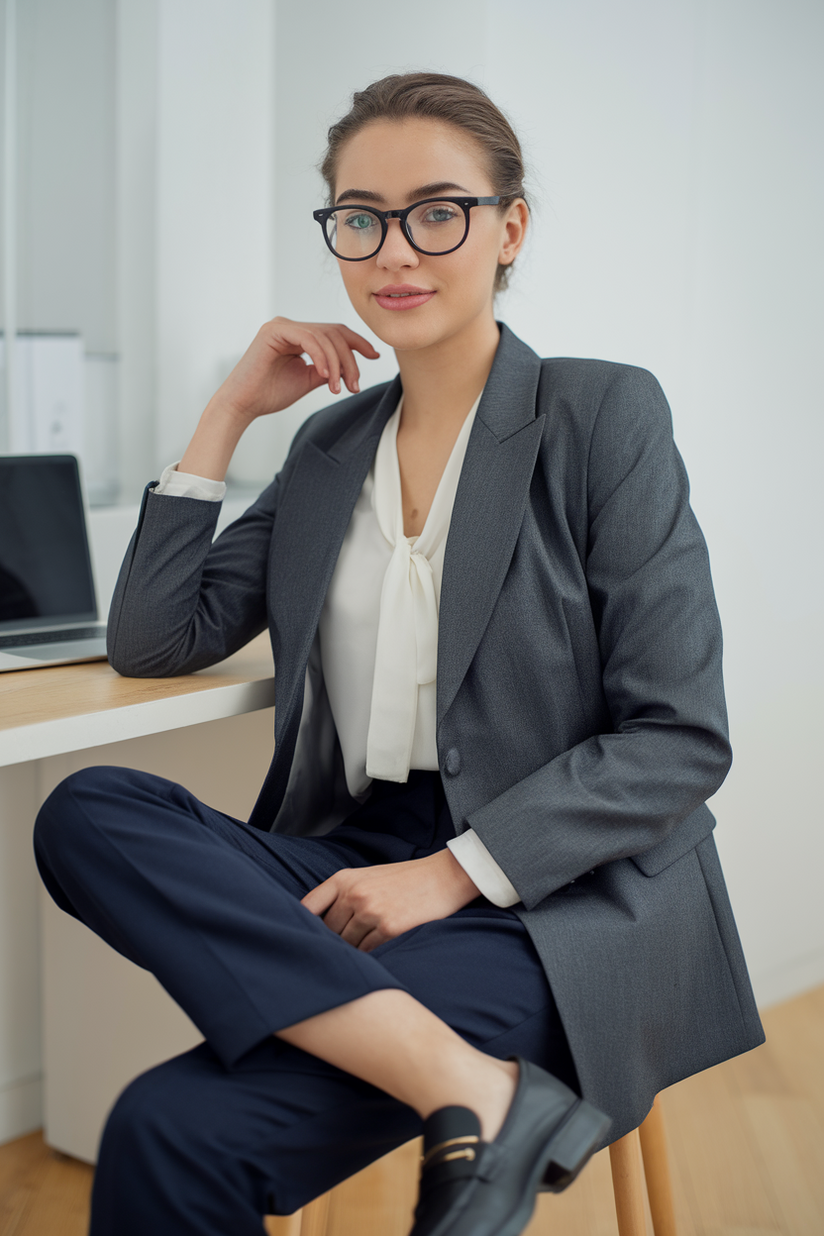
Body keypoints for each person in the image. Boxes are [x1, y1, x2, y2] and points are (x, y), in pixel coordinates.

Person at [33, 72, 764, 1236]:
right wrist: (227, 411)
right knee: (86, 812)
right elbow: (156, 639)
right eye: (359, 216)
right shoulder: (329, 446)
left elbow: (678, 738)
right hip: (358, 854)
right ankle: (472, 1092)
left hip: (556, 894)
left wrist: (448, 874)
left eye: (436, 210)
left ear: (507, 226)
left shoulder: (599, 416)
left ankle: (482, 1097)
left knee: (165, 1130)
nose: (394, 250)